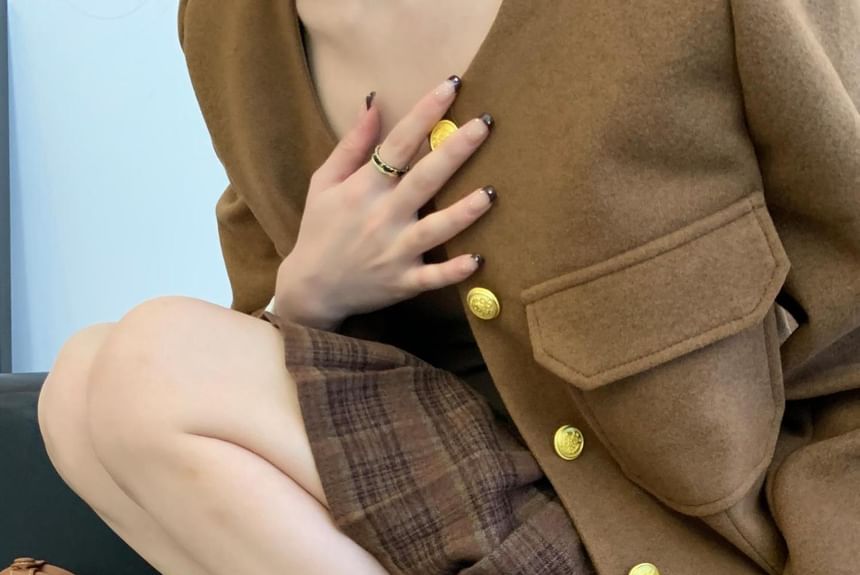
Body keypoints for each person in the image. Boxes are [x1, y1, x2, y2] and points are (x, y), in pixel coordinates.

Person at [37, 1, 860, 574]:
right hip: (461, 521)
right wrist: (307, 294)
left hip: (687, 549)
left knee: (147, 368)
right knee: (79, 390)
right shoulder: (228, 27)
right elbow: (258, 375)